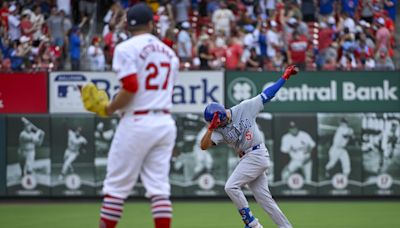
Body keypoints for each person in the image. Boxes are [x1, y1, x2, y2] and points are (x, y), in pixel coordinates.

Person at [80, 3, 179, 228]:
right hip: (164, 121)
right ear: (152, 24)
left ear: (126, 24)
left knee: (116, 189)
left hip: (137, 121)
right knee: (159, 190)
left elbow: (131, 86)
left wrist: (109, 108)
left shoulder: (125, 48)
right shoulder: (169, 53)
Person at [200, 65, 298, 228]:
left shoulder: (244, 108)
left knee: (231, 186)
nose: (215, 124)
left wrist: (284, 77)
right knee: (265, 200)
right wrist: (210, 128)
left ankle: (252, 223)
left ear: (222, 115)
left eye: (215, 122)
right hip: (248, 157)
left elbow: (267, 95)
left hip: (257, 153)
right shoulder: (217, 129)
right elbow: (203, 146)